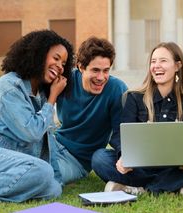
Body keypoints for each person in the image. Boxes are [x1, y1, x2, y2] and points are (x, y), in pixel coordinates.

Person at [0, 30, 74, 205]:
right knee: (42, 171)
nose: (60, 67)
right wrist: (53, 98)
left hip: (11, 166)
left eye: (63, 63)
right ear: (38, 54)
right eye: (56, 58)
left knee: (53, 188)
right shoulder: (9, 85)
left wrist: (57, 179)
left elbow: (48, 143)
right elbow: (31, 133)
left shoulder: (40, 95)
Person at [92, 42, 183, 195]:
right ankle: (172, 186)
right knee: (99, 158)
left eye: (163, 61)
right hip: (139, 167)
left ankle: (140, 188)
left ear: (177, 66)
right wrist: (123, 156)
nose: (156, 65)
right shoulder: (134, 98)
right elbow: (120, 135)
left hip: (174, 166)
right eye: (153, 61)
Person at [50, 36, 128, 185]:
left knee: (47, 174)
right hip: (54, 144)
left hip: (78, 160)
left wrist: (124, 157)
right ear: (81, 67)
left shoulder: (117, 89)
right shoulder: (65, 81)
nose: (101, 77)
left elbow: (121, 132)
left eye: (106, 71)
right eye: (95, 70)